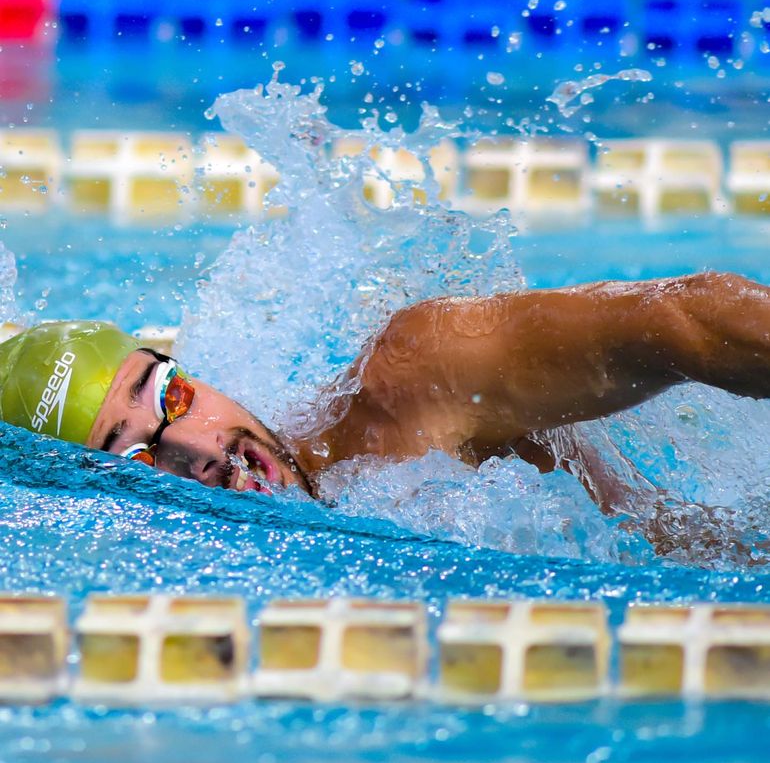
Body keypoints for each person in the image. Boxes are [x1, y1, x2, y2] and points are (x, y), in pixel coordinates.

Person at [0, 270, 767, 520]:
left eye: (170, 396)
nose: (203, 450)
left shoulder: (415, 382)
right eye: (134, 455)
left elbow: (684, 317)